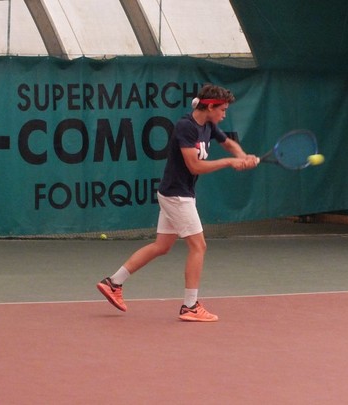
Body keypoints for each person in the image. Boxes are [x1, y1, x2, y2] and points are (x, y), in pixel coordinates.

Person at [96, 83, 258, 322]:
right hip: (177, 195)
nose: (224, 114)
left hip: (177, 193)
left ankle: (113, 283)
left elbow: (229, 144)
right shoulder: (186, 127)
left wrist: (243, 157)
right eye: (222, 110)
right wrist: (228, 163)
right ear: (210, 106)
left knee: (162, 246)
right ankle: (190, 307)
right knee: (199, 246)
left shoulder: (209, 125)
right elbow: (194, 166)